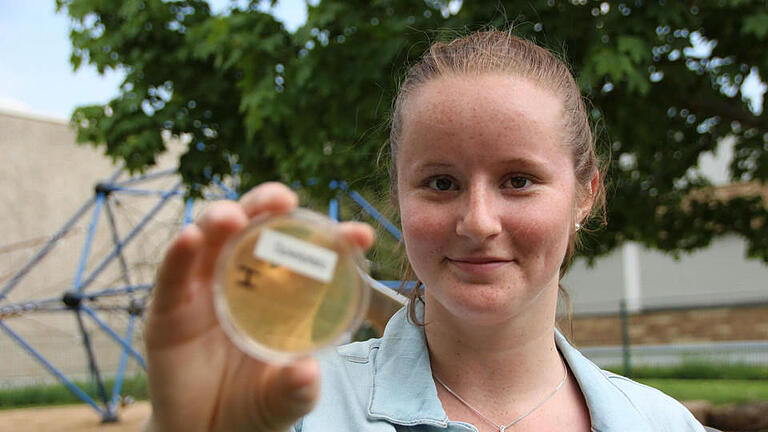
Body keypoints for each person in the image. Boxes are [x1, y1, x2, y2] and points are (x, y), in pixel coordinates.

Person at [144, 30, 707, 432]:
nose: (478, 221)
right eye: (440, 183)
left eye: (518, 180)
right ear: (397, 196)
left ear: (586, 196)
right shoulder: (293, 412)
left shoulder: (665, 424)